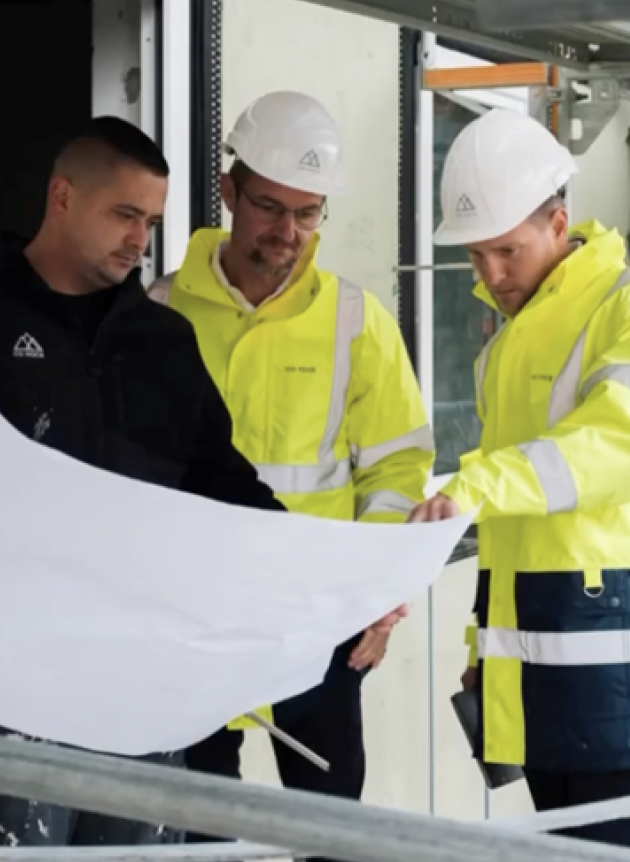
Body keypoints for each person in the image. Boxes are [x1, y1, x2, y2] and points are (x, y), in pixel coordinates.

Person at [148, 90, 434, 851]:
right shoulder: (160, 311)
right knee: (196, 826)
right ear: (229, 191)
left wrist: (375, 596)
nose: (288, 232)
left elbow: (399, 468)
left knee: (331, 831)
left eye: (308, 214)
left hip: (321, 618)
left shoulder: (356, 319)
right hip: (195, 621)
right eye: (270, 208)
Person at [0, 115, 286, 847]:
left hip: (138, 686)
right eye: (124, 215)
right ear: (62, 196)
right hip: (14, 687)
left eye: (151, 222)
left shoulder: (163, 342)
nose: (140, 240)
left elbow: (224, 484)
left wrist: (340, 573)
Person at [409, 107, 630, 848]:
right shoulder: (509, 341)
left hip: (608, 666)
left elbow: (616, 444)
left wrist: (473, 485)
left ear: (559, 223)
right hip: (538, 670)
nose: (491, 275)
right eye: (476, 256)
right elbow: (515, 539)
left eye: (507, 250)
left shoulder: (619, 305)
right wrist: (486, 657)